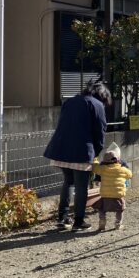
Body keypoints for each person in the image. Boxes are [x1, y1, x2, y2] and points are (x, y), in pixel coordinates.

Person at [44, 80, 111, 232]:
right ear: (102, 95)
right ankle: (79, 221)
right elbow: (100, 132)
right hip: (81, 150)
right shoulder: (97, 105)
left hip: (61, 148)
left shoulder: (70, 102)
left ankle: (62, 219)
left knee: (68, 182)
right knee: (81, 186)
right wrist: (96, 152)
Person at [91, 142, 132, 231]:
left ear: (104, 161)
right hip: (118, 195)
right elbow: (130, 175)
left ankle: (102, 221)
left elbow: (95, 168)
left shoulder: (102, 169)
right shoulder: (123, 169)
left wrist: (95, 159)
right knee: (120, 210)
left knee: (101, 209)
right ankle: (118, 223)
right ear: (118, 160)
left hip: (105, 195)